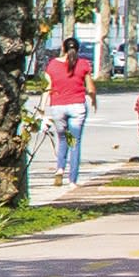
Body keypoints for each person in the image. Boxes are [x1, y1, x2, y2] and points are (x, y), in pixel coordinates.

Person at [43, 35, 92, 186]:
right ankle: (72, 180)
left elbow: (48, 87)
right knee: (75, 143)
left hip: (57, 107)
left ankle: (60, 168)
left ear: (63, 48)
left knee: (63, 139)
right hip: (77, 106)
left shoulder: (52, 64)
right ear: (78, 49)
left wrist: (42, 109)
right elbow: (90, 88)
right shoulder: (83, 64)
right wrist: (94, 99)